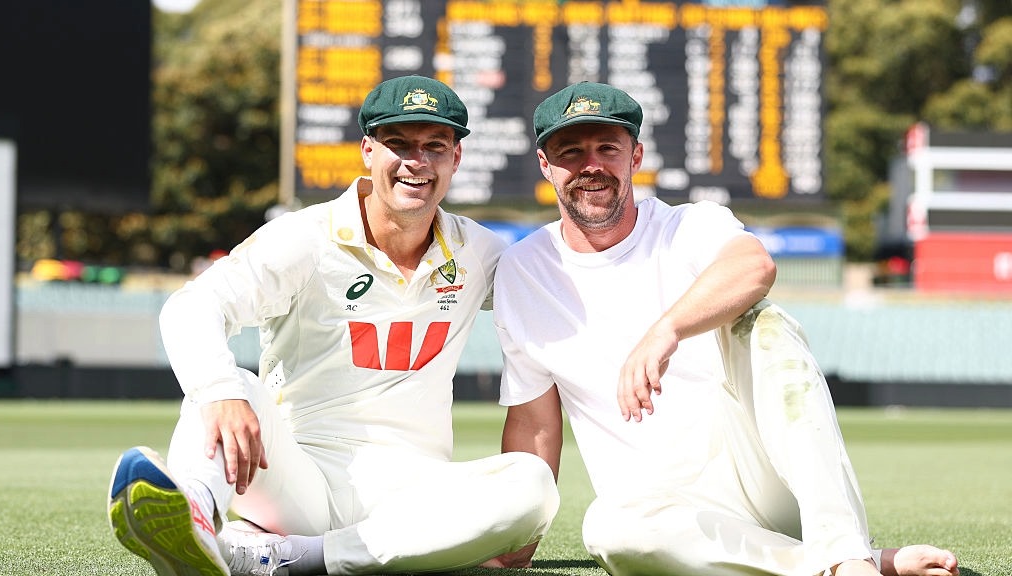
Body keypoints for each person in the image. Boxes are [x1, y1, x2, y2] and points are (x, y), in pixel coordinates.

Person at [491, 81, 959, 576]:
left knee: (765, 323)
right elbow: (535, 422)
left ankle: (842, 548)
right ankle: (837, 563)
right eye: (571, 152)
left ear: (636, 156)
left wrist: (665, 330)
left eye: (608, 148)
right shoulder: (523, 270)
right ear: (546, 165)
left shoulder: (689, 224)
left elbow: (754, 266)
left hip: (759, 474)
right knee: (608, 530)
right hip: (662, 512)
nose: (592, 165)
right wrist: (514, 541)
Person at [106, 75, 558, 576]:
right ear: (368, 150)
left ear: (457, 158)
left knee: (533, 485)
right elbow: (192, 306)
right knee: (224, 388)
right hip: (297, 482)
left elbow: (560, 294)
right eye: (399, 144)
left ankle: (279, 558)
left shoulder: (481, 252)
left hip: (413, 495)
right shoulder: (305, 236)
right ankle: (194, 515)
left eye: (435, 146)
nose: (417, 162)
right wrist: (219, 389)